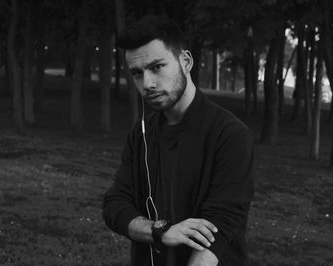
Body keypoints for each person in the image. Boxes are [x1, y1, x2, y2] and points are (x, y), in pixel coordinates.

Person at [102, 14, 254, 266]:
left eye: (157, 67)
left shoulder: (230, 134)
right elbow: (114, 205)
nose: (147, 83)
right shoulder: (140, 135)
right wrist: (159, 231)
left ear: (185, 61)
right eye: (137, 73)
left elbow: (219, 228)